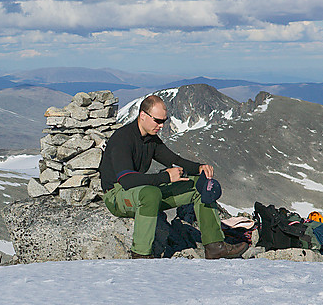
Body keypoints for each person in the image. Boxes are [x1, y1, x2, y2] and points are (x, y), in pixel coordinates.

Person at [97, 94, 248, 259]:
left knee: (200, 186)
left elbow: (174, 160)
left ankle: (214, 246)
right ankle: (140, 255)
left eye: (164, 121)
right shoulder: (123, 139)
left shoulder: (150, 140)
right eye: (158, 121)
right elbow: (126, 180)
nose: (161, 126)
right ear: (142, 116)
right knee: (150, 194)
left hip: (140, 193)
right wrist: (165, 178)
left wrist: (199, 168)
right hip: (117, 196)